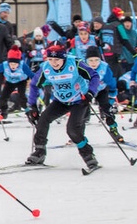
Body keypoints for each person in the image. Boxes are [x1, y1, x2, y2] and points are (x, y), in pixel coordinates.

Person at [25, 43, 101, 172]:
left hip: (79, 100)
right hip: (61, 101)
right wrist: (31, 105)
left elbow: (94, 76)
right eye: (50, 60)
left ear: (64, 58)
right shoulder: (45, 68)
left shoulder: (75, 64)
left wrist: (90, 93)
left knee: (72, 130)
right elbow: (34, 84)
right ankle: (39, 152)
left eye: (57, 60)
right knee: (43, 119)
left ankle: (88, 155)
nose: (54, 63)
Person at [83, 46, 125, 143]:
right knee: (81, 112)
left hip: (101, 90)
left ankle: (114, 130)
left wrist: (112, 93)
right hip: (87, 91)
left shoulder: (104, 67)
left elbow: (110, 81)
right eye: (91, 60)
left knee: (107, 109)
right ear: (86, 60)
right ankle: (78, 135)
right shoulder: (82, 67)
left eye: (96, 60)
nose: (94, 63)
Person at [0, 47, 30, 117]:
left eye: (15, 64)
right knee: (2, 98)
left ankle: (28, 112)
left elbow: (31, 74)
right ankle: (4, 112)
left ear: (18, 63)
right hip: (10, 82)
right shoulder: (4, 65)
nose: (13, 66)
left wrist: (37, 81)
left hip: (21, 81)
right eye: (11, 64)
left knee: (22, 97)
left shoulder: (23, 65)